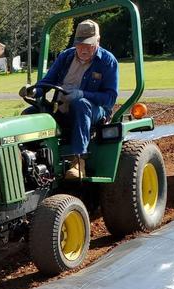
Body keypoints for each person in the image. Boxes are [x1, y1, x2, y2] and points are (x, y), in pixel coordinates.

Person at [35, 19, 119, 178]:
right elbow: (48, 81)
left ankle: (78, 162)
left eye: (88, 45)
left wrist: (82, 94)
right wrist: (35, 91)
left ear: (98, 41)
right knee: (31, 112)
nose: (83, 49)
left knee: (81, 104)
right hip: (61, 107)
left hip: (94, 111)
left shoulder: (107, 61)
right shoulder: (65, 57)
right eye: (80, 45)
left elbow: (110, 98)